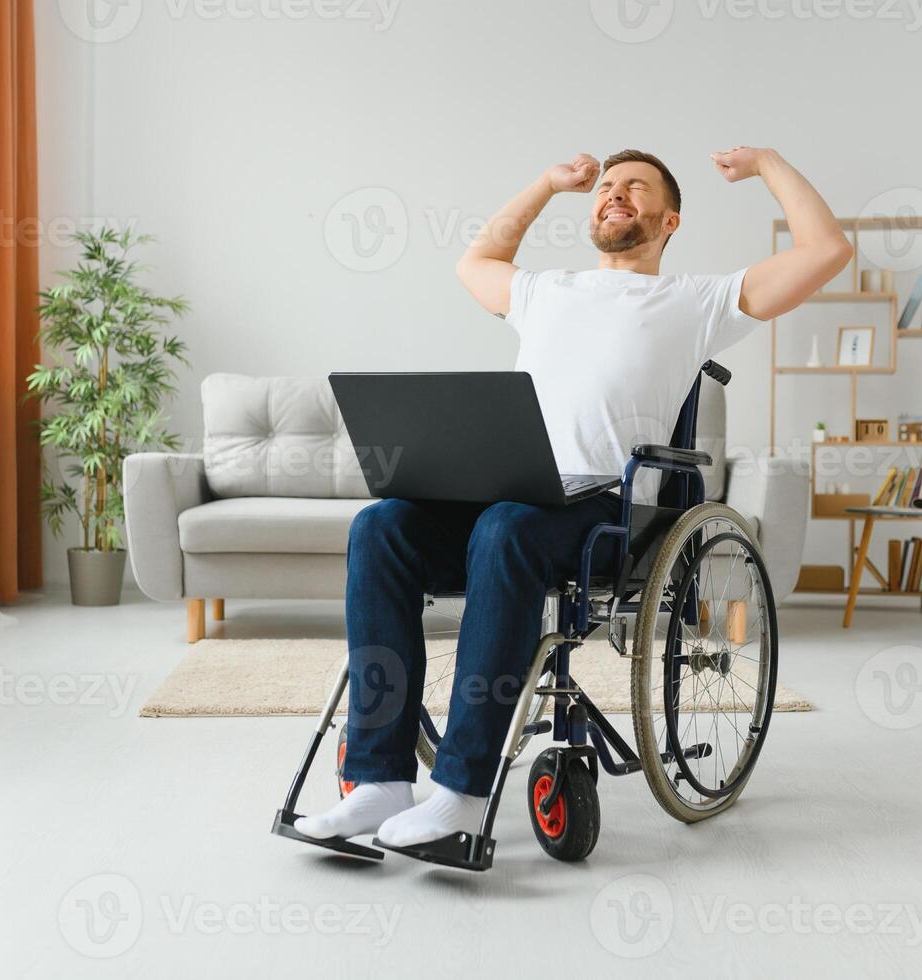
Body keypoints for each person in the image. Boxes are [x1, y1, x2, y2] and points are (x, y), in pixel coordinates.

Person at [295, 147, 851, 848]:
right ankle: (376, 782)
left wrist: (768, 165)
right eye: (606, 186)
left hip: (605, 510)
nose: (613, 194)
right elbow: (475, 262)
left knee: (504, 527)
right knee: (381, 526)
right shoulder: (545, 290)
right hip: (506, 492)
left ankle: (462, 794)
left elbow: (826, 250)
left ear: (668, 219)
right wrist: (544, 185)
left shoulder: (699, 300)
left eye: (635, 188)